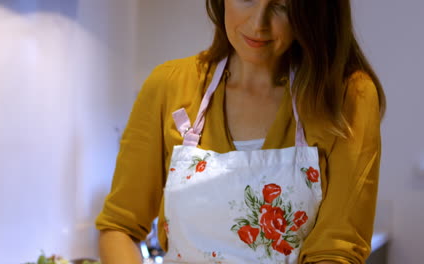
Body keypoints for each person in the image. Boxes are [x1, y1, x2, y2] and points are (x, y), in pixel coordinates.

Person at [96, 0, 386, 263]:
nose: (258, 23)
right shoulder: (168, 86)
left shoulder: (347, 97)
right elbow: (120, 227)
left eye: (282, 6)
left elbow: (336, 251)